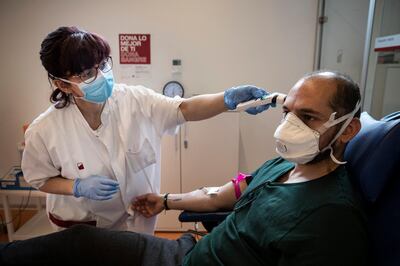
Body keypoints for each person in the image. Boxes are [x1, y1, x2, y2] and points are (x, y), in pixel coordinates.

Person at [2, 70, 368, 265]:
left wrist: (224, 102)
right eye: (287, 112)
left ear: (348, 127)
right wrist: (164, 201)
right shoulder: (281, 166)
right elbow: (222, 195)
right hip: (186, 253)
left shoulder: (331, 216)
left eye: (307, 117)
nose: (291, 127)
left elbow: (183, 109)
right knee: (77, 245)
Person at [21, 26, 272, 234]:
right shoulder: (45, 130)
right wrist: (75, 187)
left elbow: (185, 108)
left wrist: (228, 99)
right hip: (81, 227)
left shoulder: (135, 100)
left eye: (103, 65)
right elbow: (40, 178)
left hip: (136, 220)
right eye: (87, 73)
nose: (101, 76)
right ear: (61, 84)